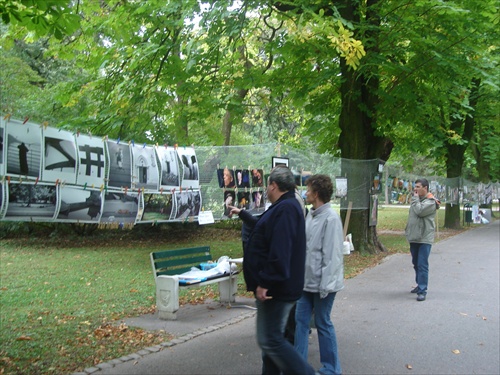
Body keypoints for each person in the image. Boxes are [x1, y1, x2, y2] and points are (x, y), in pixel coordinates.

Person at [241, 166, 315, 375]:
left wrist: (265, 282)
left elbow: (280, 250)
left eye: (267, 186)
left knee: (270, 340)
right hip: (277, 286)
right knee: (271, 342)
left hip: (276, 289)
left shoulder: (287, 208)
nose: (266, 190)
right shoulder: (284, 206)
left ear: (273, 185)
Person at [294, 174, 344, 375]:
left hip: (324, 285)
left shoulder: (331, 219)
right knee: (300, 323)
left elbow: (332, 256)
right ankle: (298, 368)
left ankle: (332, 369)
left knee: (323, 323)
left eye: (307, 190)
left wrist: (326, 286)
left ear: (316, 194)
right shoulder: (311, 215)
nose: (305, 193)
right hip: (306, 283)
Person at [405, 178, 441, 302]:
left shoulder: (431, 202)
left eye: (418, 187)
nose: (415, 189)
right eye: (415, 187)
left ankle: (422, 290)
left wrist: (414, 200)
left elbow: (420, 211)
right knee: (415, 262)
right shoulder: (417, 200)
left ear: (425, 188)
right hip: (414, 236)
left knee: (422, 264)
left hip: (424, 238)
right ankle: (419, 283)